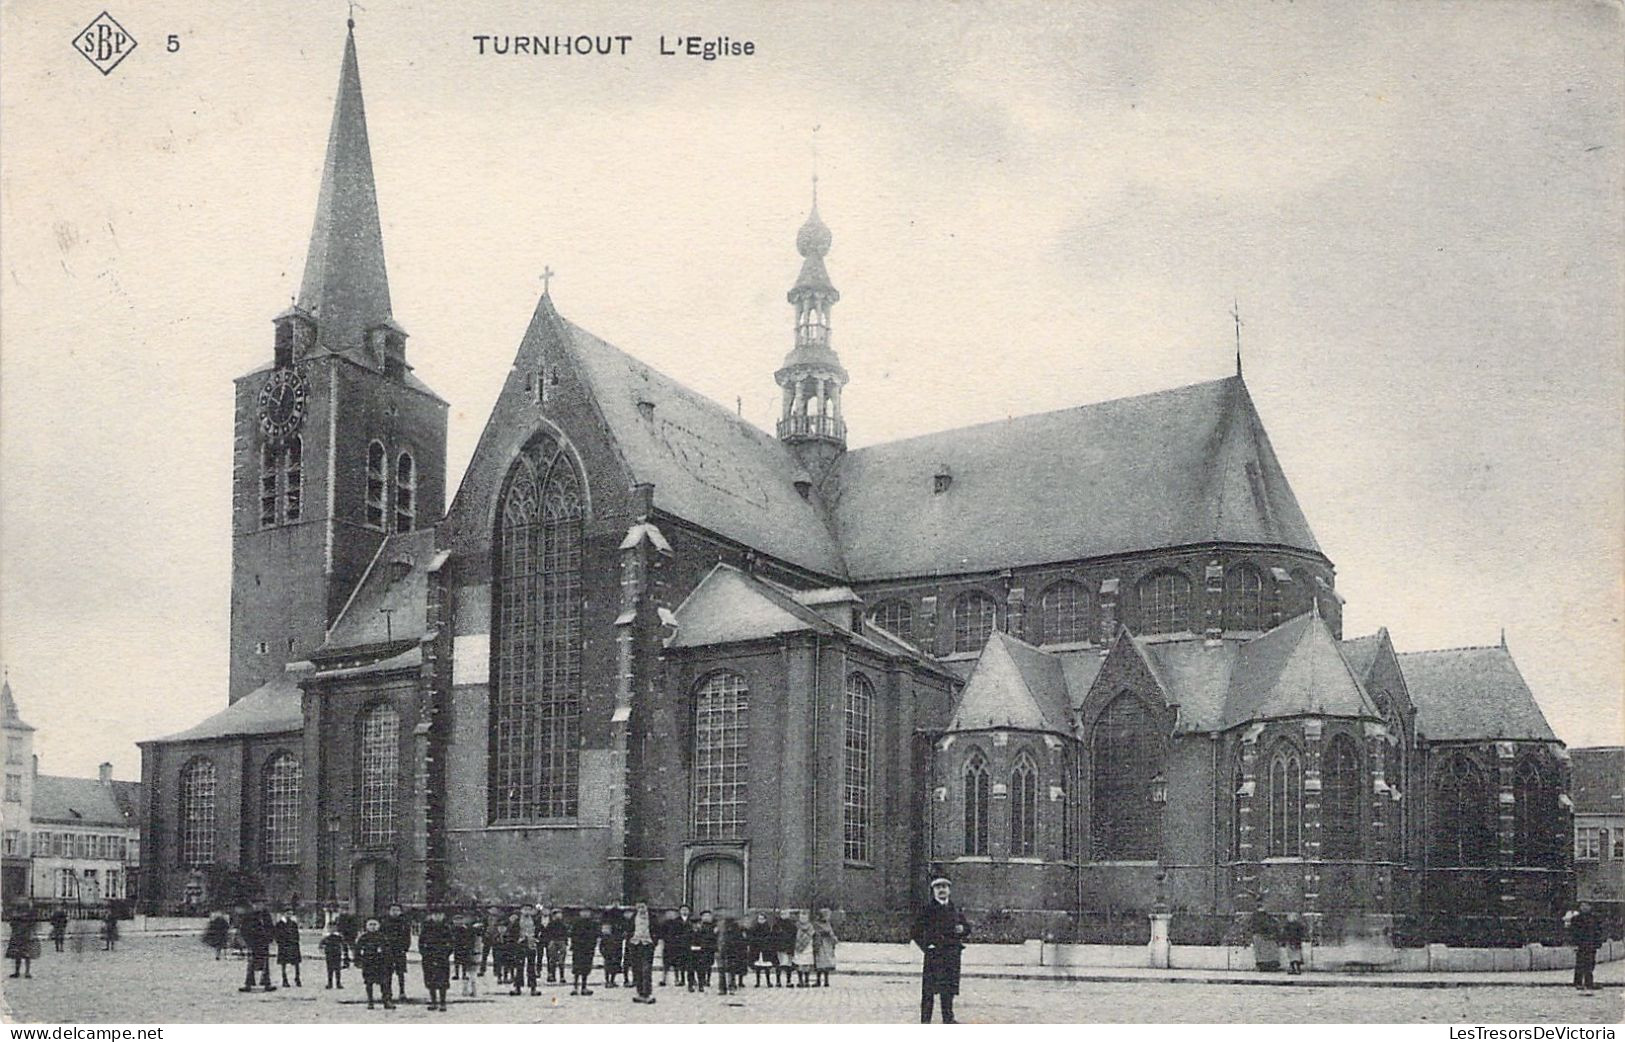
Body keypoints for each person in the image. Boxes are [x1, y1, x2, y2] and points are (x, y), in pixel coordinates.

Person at [912, 877, 970, 1024]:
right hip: (935, 955)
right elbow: (915, 931)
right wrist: (927, 946)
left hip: (952, 955)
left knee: (949, 989)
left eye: (944, 886)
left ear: (949, 890)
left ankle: (948, 1019)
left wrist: (963, 929)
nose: (942, 890)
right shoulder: (928, 910)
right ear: (933, 891)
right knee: (929, 991)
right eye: (938, 887)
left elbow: (967, 927)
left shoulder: (954, 908)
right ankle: (925, 1021)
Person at [354, 918, 395, 1010]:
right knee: (369, 983)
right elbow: (357, 950)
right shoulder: (363, 938)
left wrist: (389, 962)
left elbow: (388, 951)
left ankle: (386, 1001)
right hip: (368, 963)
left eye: (374, 924)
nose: (373, 927)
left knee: (384, 983)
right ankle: (370, 1001)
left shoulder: (382, 937)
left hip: (381, 963)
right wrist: (358, 961)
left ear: (378, 926)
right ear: (367, 926)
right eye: (370, 925)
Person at [418, 906, 453, 1012]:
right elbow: (421, 942)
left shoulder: (446, 927)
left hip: (442, 957)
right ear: (431, 916)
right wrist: (424, 953)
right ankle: (433, 1001)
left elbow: (451, 942)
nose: (437, 917)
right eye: (435, 915)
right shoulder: (427, 927)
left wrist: (446, 953)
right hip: (429, 956)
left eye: (440, 915)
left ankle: (443, 1002)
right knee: (430, 979)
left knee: (443, 980)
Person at [239, 901, 277, 993]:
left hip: (263, 942)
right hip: (253, 943)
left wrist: (269, 938)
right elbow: (244, 929)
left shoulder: (265, 915)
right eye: (256, 904)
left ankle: (266, 983)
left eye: (260, 904)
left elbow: (271, 928)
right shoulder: (249, 916)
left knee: (265, 964)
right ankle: (249, 984)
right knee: (251, 964)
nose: (258, 906)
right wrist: (248, 940)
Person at [625, 901, 657, 1005]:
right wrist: (630, 941)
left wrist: (653, 941)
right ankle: (640, 992)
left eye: (643, 906)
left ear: (647, 907)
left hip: (647, 945)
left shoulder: (652, 917)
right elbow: (628, 929)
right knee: (637, 969)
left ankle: (647, 993)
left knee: (646, 969)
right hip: (635, 945)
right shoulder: (633, 917)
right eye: (639, 907)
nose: (641, 909)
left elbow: (657, 930)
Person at [1569, 901, 1603, 993]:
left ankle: (1589, 982)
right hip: (1581, 944)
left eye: (1586, 906)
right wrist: (1574, 943)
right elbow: (1573, 933)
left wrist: (1598, 943)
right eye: (1582, 906)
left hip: (1591, 944)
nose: (1584, 908)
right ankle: (1578, 982)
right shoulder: (1576, 919)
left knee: (1590, 963)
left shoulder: (1594, 919)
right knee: (1580, 963)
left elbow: (1598, 932)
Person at [381, 904, 412, 1000]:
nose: (395, 912)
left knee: (401, 972)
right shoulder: (385, 922)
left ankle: (402, 991)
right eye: (393, 910)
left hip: (399, 949)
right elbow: (381, 936)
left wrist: (405, 948)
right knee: (387, 972)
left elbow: (407, 937)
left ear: (400, 911)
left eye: (397, 910)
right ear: (389, 911)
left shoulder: (404, 923)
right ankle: (388, 992)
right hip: (388, 950)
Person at [569, 907, 598, 995]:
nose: (585, 914)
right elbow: (572, 935)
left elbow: (595, 936)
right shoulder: (576, 923)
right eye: (583, 912)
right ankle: (575, 987)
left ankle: (584, 987)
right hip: (578, 948)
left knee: (586, 968)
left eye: (587, 912)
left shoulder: (593, 924)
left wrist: (592, 946)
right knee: (576, 968)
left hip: (588, 949)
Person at [719, 916, 750, 994]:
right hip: (725, 951)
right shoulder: (724, 931)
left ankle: (728, 986)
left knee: (730, 970)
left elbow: (742, 942)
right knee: (724, 970)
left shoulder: (737, 931)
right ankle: (725, 987)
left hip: (732, 952)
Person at [275, 909, 303, 987]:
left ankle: (297, 978)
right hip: (284, 946)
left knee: (296, 963)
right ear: (284, 914)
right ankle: (285, 979)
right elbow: (277, 936)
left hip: (293, 945)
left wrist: (295, 942)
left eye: (291, 914)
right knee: (283, 964)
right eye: (288, 913)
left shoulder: (293, 924)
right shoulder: (279, 924)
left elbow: (296, 934)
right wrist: (281, 943)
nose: (289, 915)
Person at [454, 913, 480, 997]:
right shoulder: (470, 930)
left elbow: (473, 942)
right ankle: (469, 989)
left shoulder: (469, 930)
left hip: (468, 952)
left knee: (470, 972)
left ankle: (469, 989)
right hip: (468, 951)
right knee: (470, 972)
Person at [6, 905, 36, 979]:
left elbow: (12, 924)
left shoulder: (18, 917)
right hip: (22, 936)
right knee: (22, 954)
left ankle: (22, 972)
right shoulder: (26, 917)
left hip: (22, 936)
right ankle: (25, 972)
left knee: (22, 954)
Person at [813, 908, 838, 987]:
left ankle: (826, 980)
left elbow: (831, 933)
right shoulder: (816, 924)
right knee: (819, 963)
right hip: (820, 945)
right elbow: (815, 933)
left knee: (826, 963)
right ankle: (818, 980)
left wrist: (833, 939)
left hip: (827, 945)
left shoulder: (828, 924)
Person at [543, 908, 569, 985]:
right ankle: (552, 975)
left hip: (560, 941)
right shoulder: (550, 924)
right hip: (553, 941)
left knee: (561, 960)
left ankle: (561, 976)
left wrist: (565, 941)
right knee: (552, 960)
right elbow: (547, 933)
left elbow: (566, 933)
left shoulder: (563, 924)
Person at [1249, 907, 1279, 972]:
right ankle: (1271, 966)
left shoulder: (1255, 918)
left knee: (1260, 952)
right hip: (1268, 937)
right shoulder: (1269, 919)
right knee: (1269, 952)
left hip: (1259, 936)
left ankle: (1262, 966)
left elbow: (1252, 927)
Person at [598, 915, 625, 988]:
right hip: (609, 947)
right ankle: (608, 981)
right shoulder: (607, 929)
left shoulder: (617, 927)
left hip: (615, 946)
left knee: (614, 965)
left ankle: (612, 980)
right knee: (608, 964)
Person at [774, 909, 798, 987]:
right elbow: (773, 936)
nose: (783, 915)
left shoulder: (792, 925)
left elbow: (794, 937)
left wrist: (792, 947)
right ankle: (778, 981)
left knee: (788, 966)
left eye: (785, 914)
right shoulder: (777, 925)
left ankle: (788, 981)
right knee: (778, 965)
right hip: (779, 947)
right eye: (782, 914)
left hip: (789, 947)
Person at [320, 922, 347, 989]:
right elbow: (321, 945)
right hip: (329, 954)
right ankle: (330, 983)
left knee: (337, 969)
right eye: (330, 928)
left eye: (333, 928)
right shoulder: (326, 937)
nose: (332, 929)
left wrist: (344, 953)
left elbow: (344, 945)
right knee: (329, 970)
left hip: (337, 954)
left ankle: (338, 983)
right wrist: (323, 950)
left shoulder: (339, 937)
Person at [793, 909, 815, 987]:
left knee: (807, 964)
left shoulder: (810, 926)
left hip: (808, 946)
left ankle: (806, 980)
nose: (803, 919)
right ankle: (800, 980)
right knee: (799, 964)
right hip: (798, 946)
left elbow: (812, 934)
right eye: (802, 917)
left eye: (805, 917)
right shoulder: (796, 925)